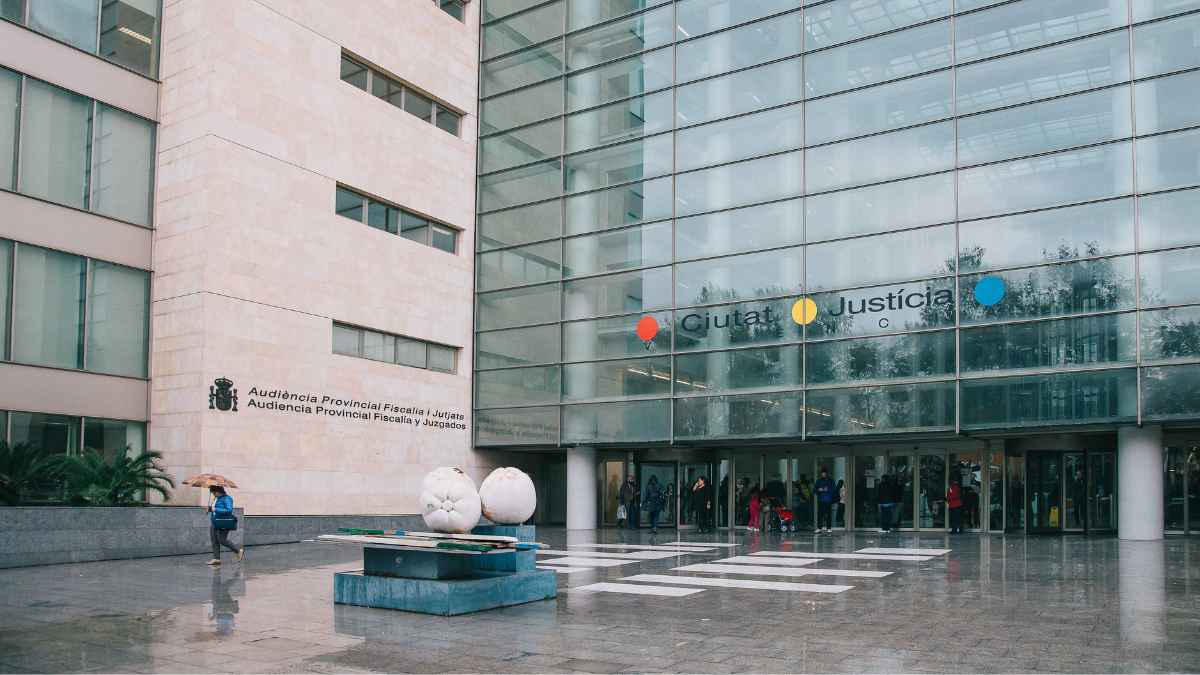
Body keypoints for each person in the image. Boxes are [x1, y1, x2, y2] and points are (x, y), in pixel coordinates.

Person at [207, 486, 244, 565]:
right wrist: (210, 510)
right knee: (214, 541)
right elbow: (215, 509)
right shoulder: (216, 499)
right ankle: (216, 559)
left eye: (214, 492)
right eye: (212, 493)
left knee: (222, 540)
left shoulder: (227, 498)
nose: (214, 494)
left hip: (223, 522)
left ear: (219, 491)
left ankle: (238, 551)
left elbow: (229, 510)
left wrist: (215, 509)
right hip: (215, 521)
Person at [814, 469, 834, 533]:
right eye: (822, 473)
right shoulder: (818, 481)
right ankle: (819, 528)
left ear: (827, 473)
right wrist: (819, 490)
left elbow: (834, 489)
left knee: (828, 514)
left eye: (825, 473)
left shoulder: (831, 481)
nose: (823, 474)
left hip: (828, 500)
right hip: (821, 500)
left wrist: (827, 489)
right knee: (820, 514)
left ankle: (829, 528)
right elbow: (814, 490)